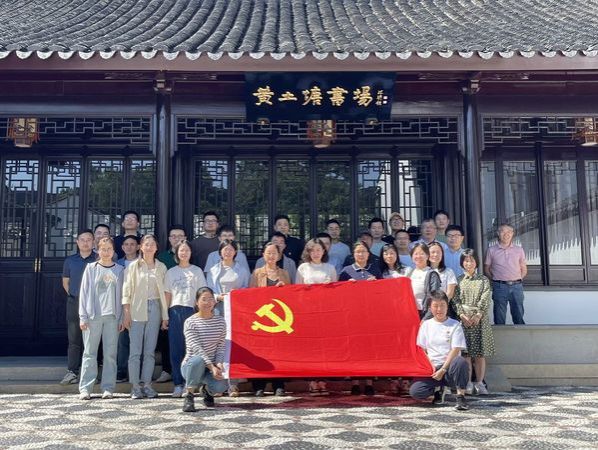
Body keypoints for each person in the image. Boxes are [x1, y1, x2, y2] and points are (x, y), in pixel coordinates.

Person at [122, 234, 169, 399]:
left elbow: (165, 292)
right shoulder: (133, 266)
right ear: (141, 247)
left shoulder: (161, 267)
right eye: (146, 244)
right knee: (135, 351)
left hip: (155, 307)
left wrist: (165, 315)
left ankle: (147, 385)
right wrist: (126, 313)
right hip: (136, 308)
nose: (149, 247)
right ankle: (135, 386)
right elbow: (126, 291)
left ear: (156, 248)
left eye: (152, 244)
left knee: (149, 351)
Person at [78, 237, 124, 400]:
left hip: (112, 317)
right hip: (93, 317)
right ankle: (85, 388)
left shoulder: (120, 270)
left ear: (113, 251)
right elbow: (84, 293)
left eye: (109, 249)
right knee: (89, 353)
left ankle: (108, 387)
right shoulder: (91, 268)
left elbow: (123, 296)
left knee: (110, 354)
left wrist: (121, 318)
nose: (106, 252)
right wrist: (83, 316)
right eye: (103, 249)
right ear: (98, 250)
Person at [409, 291, 470, 411]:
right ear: (430, 308)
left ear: (447, 306)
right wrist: (431, 367)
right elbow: (422, 349)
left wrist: (443, 369)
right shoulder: (426, 325)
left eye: (442, 305)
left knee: (460, 361)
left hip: (450, 368)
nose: (439, 309)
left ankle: (460, 397)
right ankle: (438, 390)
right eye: (435, 306)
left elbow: (455, 349)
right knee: (416, 392)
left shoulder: (455, 325)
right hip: (432, 368)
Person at [206, 239, 250, 397]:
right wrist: (218, 297)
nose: (228, 252)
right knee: (217, 345)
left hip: (235, 310)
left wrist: (235, 296)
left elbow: (246, 288)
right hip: (218, 309)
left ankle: (233, 384)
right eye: (225, 249)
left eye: (231, 249)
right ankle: (217, 384)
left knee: (233, 345)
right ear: (220, 252)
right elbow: (208, 290)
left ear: (235, 252)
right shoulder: (213, 270)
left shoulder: (241, 270)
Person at [164, 240, 207, 398]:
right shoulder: (171, 272)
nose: (184, 253)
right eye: (181, 250)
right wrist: (165, 316)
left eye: (187, 250)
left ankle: (190, 384)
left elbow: (202, 294)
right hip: (175, 311)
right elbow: (167, 294)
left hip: (192, 311)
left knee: (193, 349)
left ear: (191, 253)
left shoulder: (197, 271)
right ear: (177, 253)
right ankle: (178, 384)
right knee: (176, 349)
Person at [339, 240, 381, 396]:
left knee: (370, 348)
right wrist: (347, 286)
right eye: (358, 252)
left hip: (371, 315)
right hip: (352, 316)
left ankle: (369, 382)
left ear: (368, 254)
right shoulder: (346, 271)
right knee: (354, 348)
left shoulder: (375, 269)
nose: (361, 254)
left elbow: (383, 292)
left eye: (363, 251)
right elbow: (338, 295)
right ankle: (355, 382)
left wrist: (376, 284)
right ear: (353, 254)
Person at [295, 238, 337, 395]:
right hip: (308, 312)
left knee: (325, 347)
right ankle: (312, 380)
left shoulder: (330, 268)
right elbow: (296, 291)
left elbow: (337, 291)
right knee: (310, 347)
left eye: (319, 250)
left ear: (324, 251)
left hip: (326, 312)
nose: (316, 253)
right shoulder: (303, 268)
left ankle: (323, 380)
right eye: (312, 250)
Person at [250, 241, 291, 397]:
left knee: (279, 352)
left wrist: (283, 290)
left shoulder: (285, 273)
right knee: (261, 351)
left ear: (279, 255)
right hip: (262, 318)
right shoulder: (257, 273)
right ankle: (259, 385)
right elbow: (250, 295)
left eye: (274, 253)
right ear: (263, 255)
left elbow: (292, 296)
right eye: (268, 253)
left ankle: (278, 384)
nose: (271, 256)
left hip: (280, 317)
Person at [452, 249, 495, 395]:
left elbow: (485, 298)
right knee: (466, 354)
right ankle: (468, 382)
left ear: (476, 262)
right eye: (466, 260)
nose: (468, 263)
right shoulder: (458, 280)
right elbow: (455, 299)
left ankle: (480, 382)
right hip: (464, 320)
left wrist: (478, 315)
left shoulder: (483, 280)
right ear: (462, 263)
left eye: (471, 260)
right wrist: (462, 315)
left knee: (479, 354)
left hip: (479, 320)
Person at [181, 287, 228, 412]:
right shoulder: (190, 322)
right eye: (204, 299)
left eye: (211, 299)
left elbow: (221, 346)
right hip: (191, 365)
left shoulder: (220, 321)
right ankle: (189, 395)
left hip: (210, 368)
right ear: (197, 302)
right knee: (198, 360)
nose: (208, 302)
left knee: (221, 386)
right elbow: (197, 348)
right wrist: (212, 367)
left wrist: (218, 364)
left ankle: (207, 390)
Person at [60, 229, 96, 385]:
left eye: (89, 240)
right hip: (74, 302)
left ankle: (92, 373)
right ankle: (72, 372)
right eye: (82, 239)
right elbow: (65, 282)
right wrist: (75, 296)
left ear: (93, 242)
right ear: (77, 242)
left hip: (94, 304)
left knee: (93, 339)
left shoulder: (98, 259)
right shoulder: (70, 260)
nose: (85, 242)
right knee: (74, 338)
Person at [154, 225, 188, 384]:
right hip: (165, 300)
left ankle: (185, 373)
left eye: (180, 236)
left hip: (185, 303)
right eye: (173, 236)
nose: (176, 239)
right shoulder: (161, 257)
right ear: (169, 239)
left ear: (185, 238)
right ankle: (167, 370)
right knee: (166, 338)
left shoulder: (189, 255)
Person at [484, 224, 527, 325]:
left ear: (512, 234)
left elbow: (524, 268)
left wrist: (518, 279)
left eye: (509, 232)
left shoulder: (519, 250)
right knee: (499, 317)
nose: (506, 234)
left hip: (517, 287)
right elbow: (487, 268)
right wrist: (496, 279)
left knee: (518, 316)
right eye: (503, 231)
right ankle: (501, 336)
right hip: (499, 286)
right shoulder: (491, 250)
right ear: (498, 233)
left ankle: (520, 334)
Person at [115, 234, 140, 382]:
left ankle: (137, 373)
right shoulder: (118, 264)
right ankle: (122, 371)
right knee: (122, 340)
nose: (129, 247)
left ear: (138, 247)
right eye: (126, 244)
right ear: (122, 247)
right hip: (121, 306)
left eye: (132, 244)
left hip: (139, 305)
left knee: (138, 341)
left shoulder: (143, 263)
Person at [406, 243, 441, 319]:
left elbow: (435, 298)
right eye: (416, 254)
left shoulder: (432, 274)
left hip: (425, 313)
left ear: (427, 256)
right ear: (411, 257)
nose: (418, 256)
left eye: (422, 254)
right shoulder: (410, 273)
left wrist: (426, 318)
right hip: (411, 312)